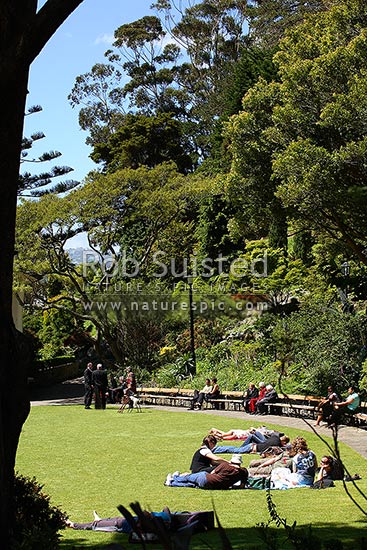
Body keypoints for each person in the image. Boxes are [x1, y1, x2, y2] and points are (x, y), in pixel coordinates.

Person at [164, 454, 248, 489]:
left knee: (189, 477)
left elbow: (213, 473)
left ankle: (175, 477)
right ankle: (171, 483)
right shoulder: (243, 472)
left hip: (207, 479)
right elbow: (242, 486)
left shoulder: (225, 465)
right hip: (216, 487)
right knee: (192, 484)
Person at [66, 508, 171, 532]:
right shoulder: (164, 519)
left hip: (120, 525)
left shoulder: (151, 525)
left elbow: (139, 527)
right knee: (113, 520)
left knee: (95, 526)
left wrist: (147, 516)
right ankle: (99, 520)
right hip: (124, 520)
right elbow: (166, 509)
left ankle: (73, 525)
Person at [213, 429, 289, 454]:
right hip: (251, 447)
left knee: (234, 449)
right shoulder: (277, 445)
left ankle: (216, 448)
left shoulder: (275, 438)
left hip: (252, 446)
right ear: (284, 442)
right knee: (234, 450)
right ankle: (216, 449)